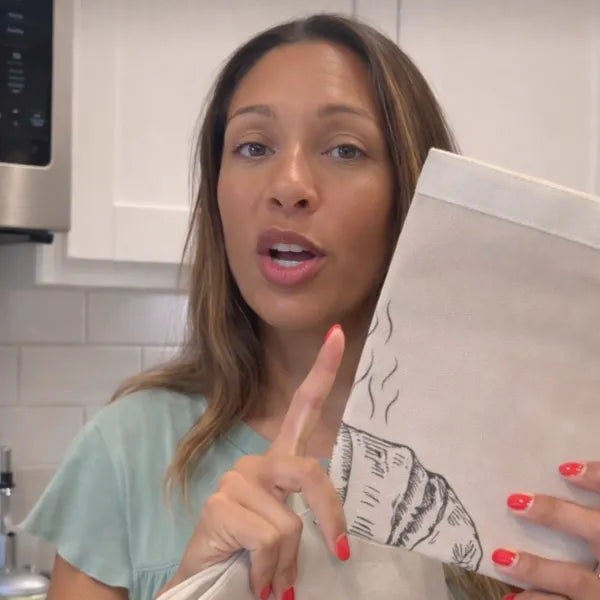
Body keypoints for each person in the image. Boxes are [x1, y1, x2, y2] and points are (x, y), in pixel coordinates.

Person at [20, 13, 600, 600]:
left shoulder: (535, 468)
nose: (289, 184)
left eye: (345, 150)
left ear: (412, 192)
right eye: (253, 146)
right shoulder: (127, 449)